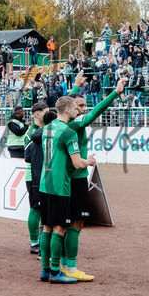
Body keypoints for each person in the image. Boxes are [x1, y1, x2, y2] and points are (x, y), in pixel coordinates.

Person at [56, 76, 128, 282]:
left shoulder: (62, 123)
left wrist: (77, 86)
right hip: (76, 177)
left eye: (84, 106)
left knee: (63, 224)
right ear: (70, 109)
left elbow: (66, 104)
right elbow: (95, 113)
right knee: (75, 224)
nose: (82, 110)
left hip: (65, 177)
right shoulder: (75, 124)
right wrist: (116, 93)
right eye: (79, 106)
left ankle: (59, 265)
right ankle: (69, 266)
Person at [40, 96, 97, 284]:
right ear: (66, 110)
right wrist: (89, 160)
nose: (78, 112)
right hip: (59, 185)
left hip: (44, 183)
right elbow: (77, 163)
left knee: (47, 227)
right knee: (59, 228)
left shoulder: (47, 128)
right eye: (75, 108)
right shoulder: (68, 132)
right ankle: (56, 272)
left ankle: (46, 270)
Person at [23, 103, 51, 257]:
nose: (48, 115)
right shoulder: (31, 133)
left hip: (44, 175)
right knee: (36, 208)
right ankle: (34, 243)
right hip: (33, 176)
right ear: (37, 114)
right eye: (46, 112)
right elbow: (28, 157)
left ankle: (42, 240)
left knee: (43, 208)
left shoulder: (46, 129)